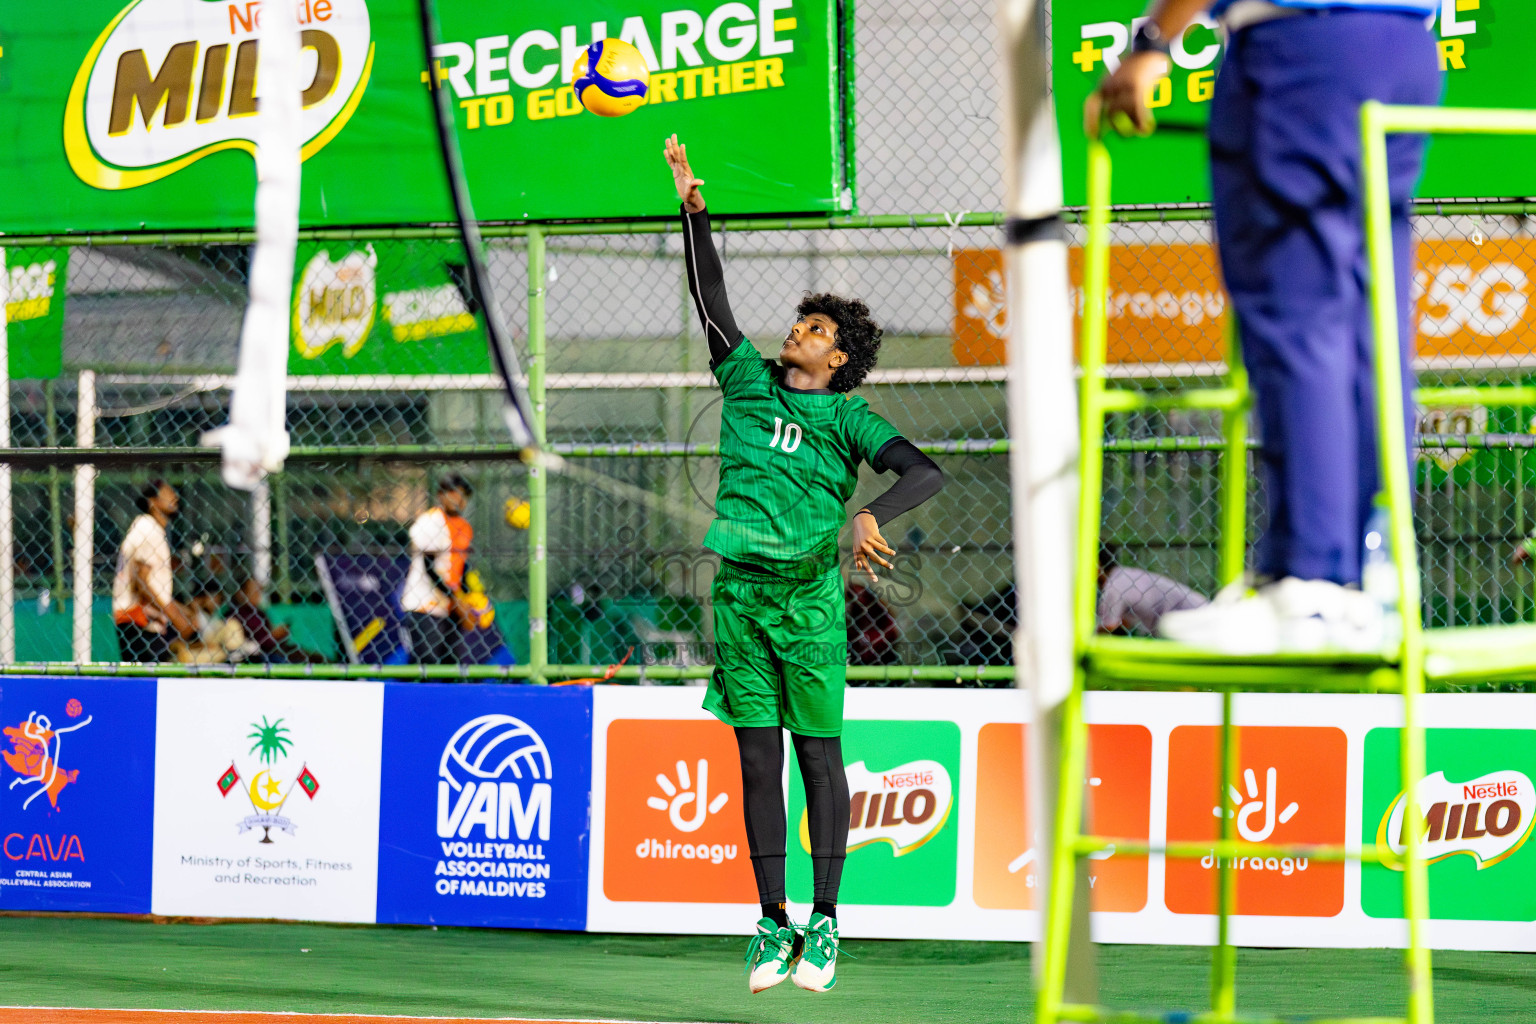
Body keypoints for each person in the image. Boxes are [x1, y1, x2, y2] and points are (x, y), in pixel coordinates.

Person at [665, 134, 945, 994]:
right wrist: (692, 205)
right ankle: (770, 922)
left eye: (817, 329)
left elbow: (923, 471)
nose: (800, 329)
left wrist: (866, 512)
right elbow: (711, 302)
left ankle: (825, 922)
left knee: (817, 758)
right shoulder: (747, 379)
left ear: (839, 359)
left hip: (812, 603)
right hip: (741, 597)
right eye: (803, 320)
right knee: (755, 758)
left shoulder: (850, 419)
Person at [1087, 0, 1440, 652]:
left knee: (1298, 316)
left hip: (1301, 44)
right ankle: (1365, 575)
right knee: (1367, 324)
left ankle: (1309, 585)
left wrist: (1154, 42)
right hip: (1405, 43)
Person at [112, 479, 193, 662]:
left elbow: (152, 585)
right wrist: (177, 617)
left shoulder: (145, 527)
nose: (175, 497)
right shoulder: (149, 529)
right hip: (139, 620)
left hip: (140, 620)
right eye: (167, 493)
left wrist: (184, 612)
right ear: (152, 501)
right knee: (149, 679)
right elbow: (141, 582)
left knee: (146, 680)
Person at [400, 473, 476, 664]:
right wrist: (455, 597)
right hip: (425, 603)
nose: (457, 499)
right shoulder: (430, 521)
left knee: (452, 662)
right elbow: (429, 565)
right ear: (441, 495)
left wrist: (468, 596)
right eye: (452, 493)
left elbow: (461, 567)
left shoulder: (464, 528)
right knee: (425, 660)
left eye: (461, 494)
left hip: (450, 607)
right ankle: (408, 694)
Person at [1097, 547, 1208, 634]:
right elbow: (1122, 624)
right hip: (1200, 609)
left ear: (1098, 564)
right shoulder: (1126, 574)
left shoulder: (1114, 586)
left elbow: (1108, 627)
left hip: (1192, 619)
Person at [231, 577, 328, 665]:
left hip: (274, 649)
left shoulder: (260, 613)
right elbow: (255, 644)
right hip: (258, 655)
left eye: (259, 590)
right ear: (241, 593)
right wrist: (274, 636)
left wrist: (278, 635)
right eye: (254, 590)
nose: (258, 594)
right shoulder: (237, 615)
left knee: (310, 655)